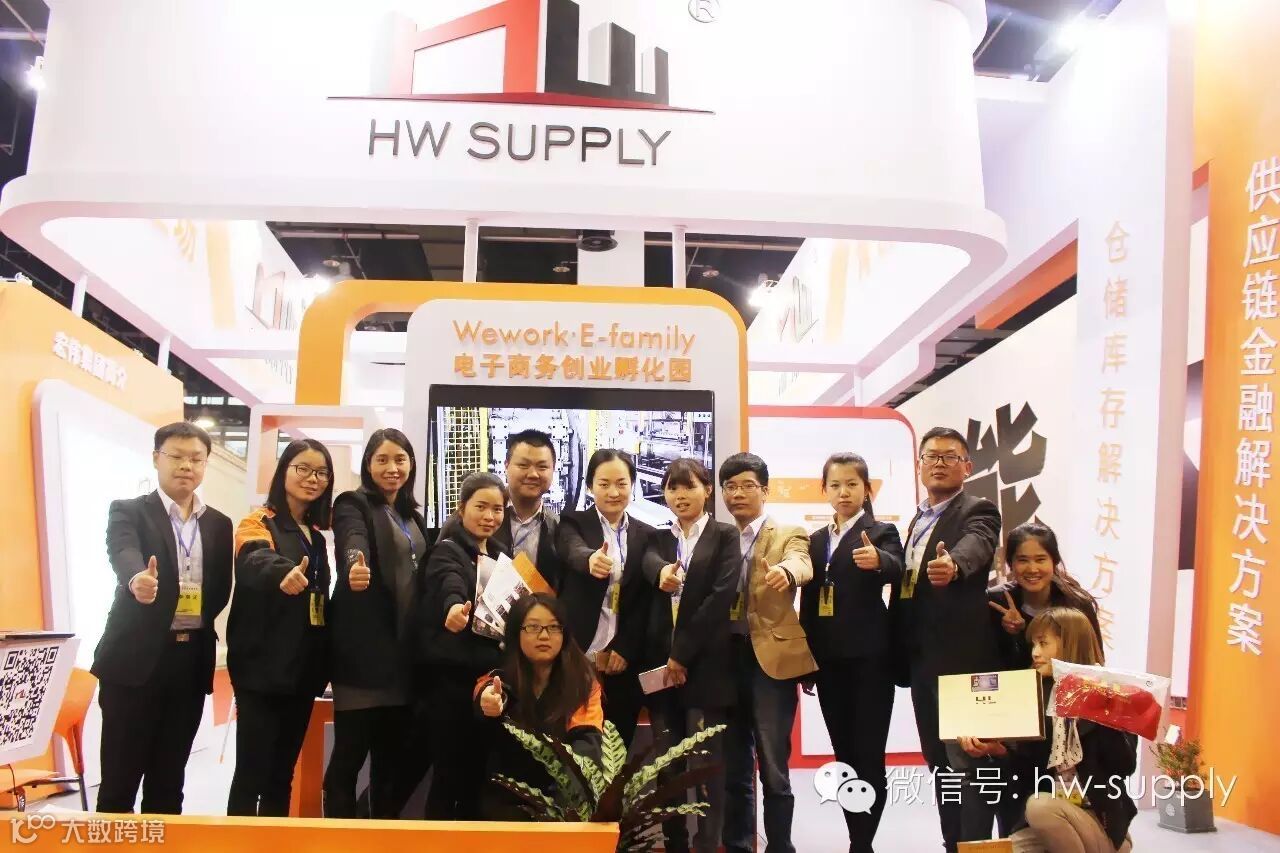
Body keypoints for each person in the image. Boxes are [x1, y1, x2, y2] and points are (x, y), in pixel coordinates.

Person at [92, 422, 233, 814]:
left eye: (196, 459)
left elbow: (219, 588)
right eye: (177, 456)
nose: (186, 465)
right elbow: (122, 551)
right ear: (157, 458)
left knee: (169, 782)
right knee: (119, 783)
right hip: (135, 662)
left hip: (188, 662)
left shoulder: (219, 523)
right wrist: (136, 579)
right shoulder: (129, 511)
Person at [887, 426, 1002, 852]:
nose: (939, 463)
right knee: (939, 763)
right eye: (931, 456)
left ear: (966, 467)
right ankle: (953, 843)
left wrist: (954, 564)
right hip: (922, 660)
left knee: (969, 762)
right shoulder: (918, 519)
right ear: (919, 465)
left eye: (949, 456)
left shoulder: (979, 509)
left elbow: (978, 542)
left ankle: (974, 846)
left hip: (962, 662)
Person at [958, 608, 1135, 853]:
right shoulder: (1038, 697)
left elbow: (1124, 766)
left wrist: (1101, 712)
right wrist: (999, 751)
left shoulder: (1109, 693)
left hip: (1098, 823)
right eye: (1034, 644)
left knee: (1039, 807)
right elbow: (1029, 771)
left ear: (1070, 644)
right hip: (1050, 819)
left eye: (1043, 643)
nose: (1035, 653)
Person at [800, 452, 905, 853]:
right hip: (829, 664)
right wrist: (806, 662)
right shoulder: (815, 541)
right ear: (824, 489)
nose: (843, 492)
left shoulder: (881, 532)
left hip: (870, 662)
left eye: (852, 484)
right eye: (835, 485)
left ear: (867, 489)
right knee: (843, 756)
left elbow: (898, 567)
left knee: (869, 754)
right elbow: (809, 605)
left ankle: (863, 843)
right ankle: (855, 837)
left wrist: (880, 561)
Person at [324, 429, 432, 818]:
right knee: (348, 759)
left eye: (400, 459)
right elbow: (351, 537)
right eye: (382, 459)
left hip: (404, 663)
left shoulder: (413, 516)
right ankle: (339, 839)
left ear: (411, 464)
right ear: (368, 464)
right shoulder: (353, 503)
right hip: (364, 659)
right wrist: (355, 563)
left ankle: (381, 835)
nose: (392, 468)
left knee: (389, 766)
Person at [226, 438, 335, 816]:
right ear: (283, 471)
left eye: (321, 472)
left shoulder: (316, 536)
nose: (312, 478)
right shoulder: (258, 521)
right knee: (251, 772)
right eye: (302, 468)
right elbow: (254, 557)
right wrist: (282, 572)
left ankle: (273, 838)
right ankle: (239, 840)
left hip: (302, 673)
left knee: (281, 773)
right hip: (261, 670)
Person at [716, 452, 817, 853]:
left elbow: (801, 562)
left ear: (765, 490)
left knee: (774, 767)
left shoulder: (787, 532)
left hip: (770, 663)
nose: (738, 494)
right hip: (726, 662)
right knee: (733, 767)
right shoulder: (719, 537)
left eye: (747, 486)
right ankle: (738, 845)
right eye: (730, 487)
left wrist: (788, 572)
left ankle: (780, 846)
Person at [643, 458, 740, 853]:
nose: (680, 495)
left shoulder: (724, 536)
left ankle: (707, 843)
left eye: (689, 487)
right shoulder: (657, 537)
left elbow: (719, 599)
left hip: (706, 669)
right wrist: (660, 572)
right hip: (663, 669)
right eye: (672, 488)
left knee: (706, 766)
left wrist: (681, 655)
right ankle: (675, 843)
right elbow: (647, 563)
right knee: (668, 765)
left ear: (707, 490)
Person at [416, 471, 509, 820]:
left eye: (497, 509)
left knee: (477, 781)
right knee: (447, 779)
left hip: (487, 680)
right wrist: (454, 608)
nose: (489, 516)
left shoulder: (501, 555)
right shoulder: (447, 551)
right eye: (480, 507)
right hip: (450, 685)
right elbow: (449, 582)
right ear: (461, 508)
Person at [556, 448, 658, 748]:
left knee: (617, 748)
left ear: (632, 485)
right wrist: (589, 559)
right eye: (604, 484)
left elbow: (644, 601)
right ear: (590, 486)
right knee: (574, 746)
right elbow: (571, 548)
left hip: (621, 660)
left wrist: (625, 648)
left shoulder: (648, 535)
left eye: (622, 483)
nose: (613, 492)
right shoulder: (572, 522)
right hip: (577, 654)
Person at [475, 592, 604, 820]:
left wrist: (565, 811)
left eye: (553, 627)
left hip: (562, 804)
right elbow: (486, 694)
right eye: (533, 627)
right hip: (504, 802)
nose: (544, 636)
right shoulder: (497, 677)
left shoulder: (584, 685)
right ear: (516, 633)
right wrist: (489, 702)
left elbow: (587, 746)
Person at [989, 522, 1103, 670]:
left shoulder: (1077, 604)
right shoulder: (996, 602)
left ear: (1054, 561)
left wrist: (1025, 630)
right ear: (1010, 563)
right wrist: (1013, 635)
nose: (1032, 569)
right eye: (1023, 560)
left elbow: (1094, 663)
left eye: (1040, 559)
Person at [492, 429, 564, 590]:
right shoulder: (478, 515)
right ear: (506, 466)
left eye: (542, 467)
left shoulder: (558, 528)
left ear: (553, 469)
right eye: (523, 465)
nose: (533, 474)